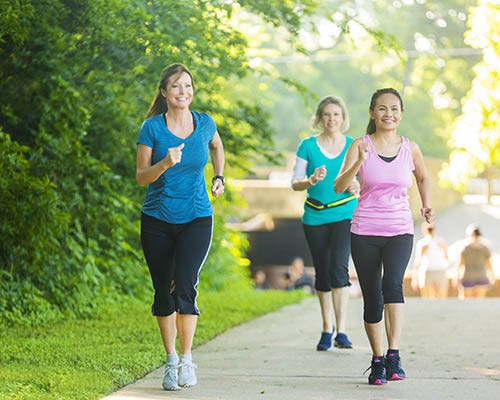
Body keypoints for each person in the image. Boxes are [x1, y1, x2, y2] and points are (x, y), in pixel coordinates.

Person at [136, 63, 225, 391]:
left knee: (185, 285)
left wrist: (218, 177)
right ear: (164, 92)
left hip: (197, 218)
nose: (182, 91)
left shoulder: (204, 123)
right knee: (164, 291)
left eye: (187, 85)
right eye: (175, 86)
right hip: (158, 219)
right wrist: (164, 163)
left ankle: (187, 360)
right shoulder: (152, 129)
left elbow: (217, 146)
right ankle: (171, 361)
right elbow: (141, 176)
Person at [334, 88, 432, 385]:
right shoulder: (359, 145)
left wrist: (426, 204)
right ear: (372, 113)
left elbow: (423, 177)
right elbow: (339, 186)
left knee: (392, 285)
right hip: (364, 231)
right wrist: (358, 162)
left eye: (394, 109)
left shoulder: (410, 148)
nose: (388, 114)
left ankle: (394, 354)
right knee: (372, 298)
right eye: (382, 108)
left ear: (401, 114)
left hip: (400, 229)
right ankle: (377, 360)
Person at [291, 95, 359, 351]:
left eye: (336, 115)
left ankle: (342, 331)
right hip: (315, 216)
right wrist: (310, 180)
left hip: (344, 214)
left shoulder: (353, 145)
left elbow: (363, 180)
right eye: (327, 114)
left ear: (343, 118)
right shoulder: (307, 146)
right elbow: (294, 183)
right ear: (319, 118)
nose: (331, 119)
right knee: (322, 271)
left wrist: (356, 185)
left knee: (339, 269)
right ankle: (325, 328)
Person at [455, 224, 495, 299]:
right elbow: (489, 264)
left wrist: (457, 277)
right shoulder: (485, 248)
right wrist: (492, 276)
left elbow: (460, 264)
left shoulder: (465, 248)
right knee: (479, 300)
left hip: (468, 276)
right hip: (482, 275)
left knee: (466, 301)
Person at [411, 222, 450, 298]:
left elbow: (417, 261)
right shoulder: (441, 242)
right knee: (442, 298)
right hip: (440, 270)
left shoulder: (423, 243)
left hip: (428, 271)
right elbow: (447, 258)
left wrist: (414, 278)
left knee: (428, 299)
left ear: (424, 230)